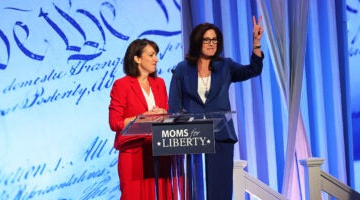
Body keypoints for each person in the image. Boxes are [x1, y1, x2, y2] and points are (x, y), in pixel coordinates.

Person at [168, 16, 264, 200]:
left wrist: (256, 43)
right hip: (191, 136)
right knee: (194, 189)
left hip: (221, 134)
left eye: (215, 40)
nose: (211, 43)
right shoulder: (182, 68)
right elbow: (174, 105)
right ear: (198, 41)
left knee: (220, 189)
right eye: (207, 39)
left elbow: (252, 70)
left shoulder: (225, 66)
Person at [109, 38, 178, 200]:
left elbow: (165, 116)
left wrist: (164, 114)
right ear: (137, 58)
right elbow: (115, 123)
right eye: (151, 55)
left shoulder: (159, 83)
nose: (157, 59)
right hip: (133, 153)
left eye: (156, 55)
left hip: (160, 151)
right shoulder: (122, 85)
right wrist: (142, 118)